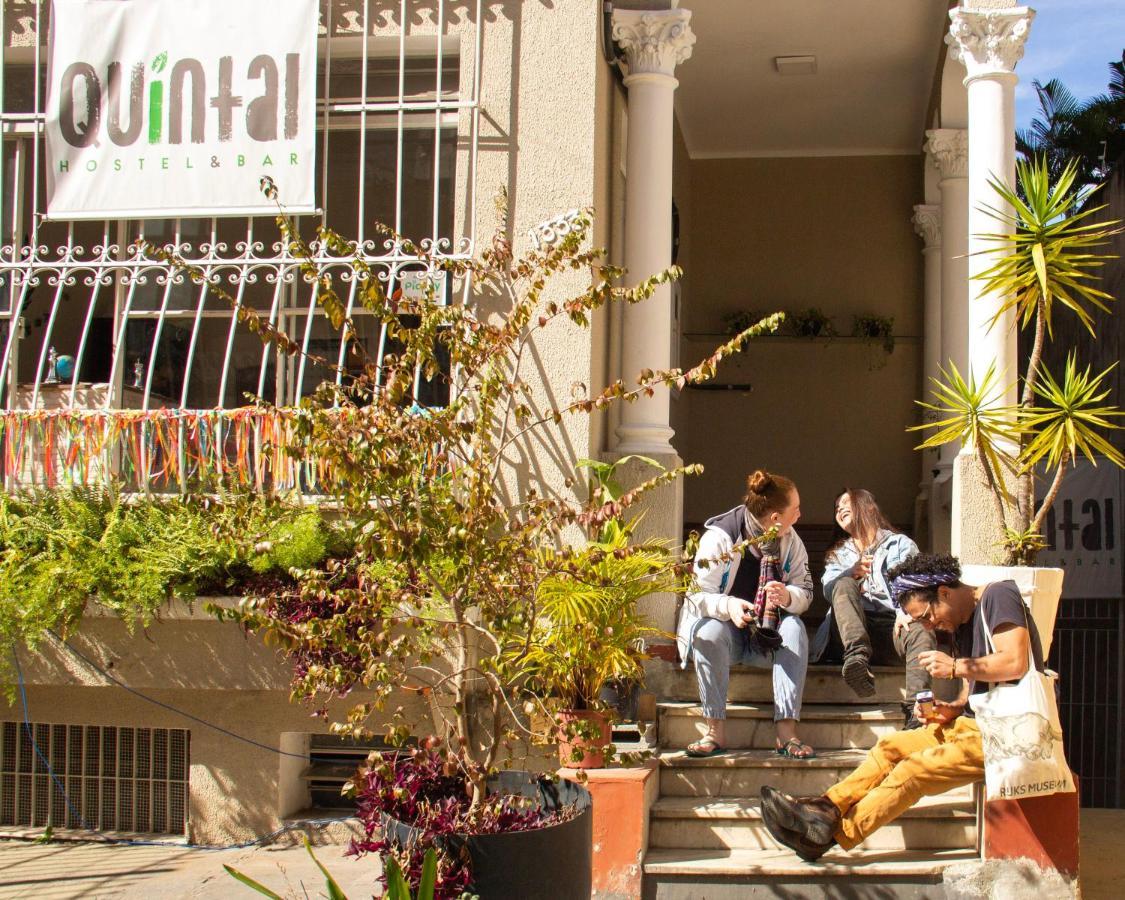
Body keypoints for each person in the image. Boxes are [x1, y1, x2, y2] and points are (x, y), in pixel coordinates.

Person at [759, 552, 1044, 861]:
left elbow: (1015, 662)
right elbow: (973, 690)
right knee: (889, 747)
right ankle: (825, 810)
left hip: (1006, 733)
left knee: (914, 770)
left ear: (944, 593)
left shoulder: (998, 595)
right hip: (973, 725)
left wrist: (955, 667)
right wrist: (953, 707)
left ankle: (829, 837)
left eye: (925, 616)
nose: (929, 624)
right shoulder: (961, 621)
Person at [676, 470, 815, 759]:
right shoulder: (721, 538)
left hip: (769, 637)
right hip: (730, 637)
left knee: (795, 628)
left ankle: (786, 733)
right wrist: (729, 607)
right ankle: (714, 731)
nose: (800, 515)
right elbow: (697, 596)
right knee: (707, 631)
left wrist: (789, 596)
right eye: (795, 509)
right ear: (775, 518)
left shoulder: (790, 540)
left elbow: (806, 591)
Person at [810, 489, 934, 717]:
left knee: (920, 632)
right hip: (848, 634)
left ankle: (916, 712)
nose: (840, 509)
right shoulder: (838, 555)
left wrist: (905, 610)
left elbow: (914, 583)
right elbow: (829, 590)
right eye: (836, 508)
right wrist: (851, 573)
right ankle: (857, 660)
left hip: (889, 628)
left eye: (846, 503)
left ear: (869, 507)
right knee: (843, 584)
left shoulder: (900, 545)